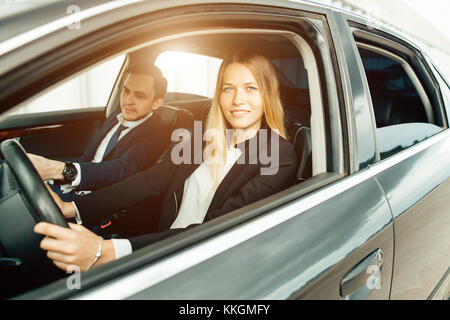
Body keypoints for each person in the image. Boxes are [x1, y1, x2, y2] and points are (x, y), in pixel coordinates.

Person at [34, 51, 298, 272]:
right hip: (161, 247)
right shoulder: (202, 137)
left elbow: (215, 230)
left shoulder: (277, 155)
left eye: (250, 88)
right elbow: (150, 180)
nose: (237, 100)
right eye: (228, 88)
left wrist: (108, 250)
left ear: (267, 94)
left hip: (202, 262)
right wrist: (74, 207)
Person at [27, 64, 171, 200]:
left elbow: (121, 169)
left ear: (156, 102)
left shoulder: (157, 133)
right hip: (76, 186)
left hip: (95, 201)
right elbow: (89, 158)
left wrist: (62, 170)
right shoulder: (116, 117)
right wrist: (55, 178)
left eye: (139, 96)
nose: (128, 101)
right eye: (126, 91)